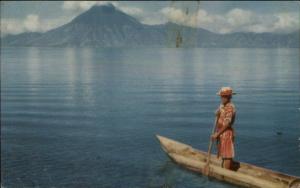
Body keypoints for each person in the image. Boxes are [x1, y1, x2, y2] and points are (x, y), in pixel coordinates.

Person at [211, 87, 236, 170]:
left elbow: (227, 124)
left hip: (226, 133)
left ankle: (226, 173)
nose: (222, 98)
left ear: (229, 97)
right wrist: (217, 112)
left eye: (224, 97)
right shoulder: (222, 105)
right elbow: (217, 112)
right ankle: (225, 169)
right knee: (223, 153)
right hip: (221, 133)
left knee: (227, 155)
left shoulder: (230, 107)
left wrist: (217, 134)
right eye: (221, 96)